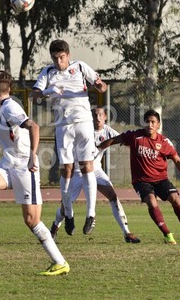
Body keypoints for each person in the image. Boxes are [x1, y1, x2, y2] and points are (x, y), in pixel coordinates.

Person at [0, 70, 70, 276]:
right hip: (9, 162)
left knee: (32, 220)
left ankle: (60, 262)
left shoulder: (9, 107)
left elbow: (33, 126)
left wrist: (33, 156)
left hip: (25, 167)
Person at [31, 39, 107, 235]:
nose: (58, 62)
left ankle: (91, 215)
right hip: (63, 126)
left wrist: (99, 85)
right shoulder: (48, 72)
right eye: (55, 58)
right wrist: (48, 91)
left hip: (83, 123)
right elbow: (34, 96)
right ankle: (70, 214)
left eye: (61, 57)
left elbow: (102, 86)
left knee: (87, 165)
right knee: (66, 171)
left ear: (68, 55)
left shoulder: (80, 66)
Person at [50, 107, 141, 243]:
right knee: (65, 206)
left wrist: (139, 149)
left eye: (100, 115)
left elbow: (124, 140)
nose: (97, 117)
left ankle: (127, 233)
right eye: (94, 115)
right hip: (77, 171)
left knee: (113, 196)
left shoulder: (108, 131)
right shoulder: (82, 129)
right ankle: (55, 226)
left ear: (105, 117)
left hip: (95, 170)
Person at [98, 109, 180, 245]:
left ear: (158, 125)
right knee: (152, 202)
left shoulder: (165, 142)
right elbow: (114, 140)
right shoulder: (135, 137)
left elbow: (177, 160)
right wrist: (98, 147)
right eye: (147, 121)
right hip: (142, 181)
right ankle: (167, 234)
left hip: (161, 179)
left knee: (176, 200)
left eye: (153, 122)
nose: (150, 125)